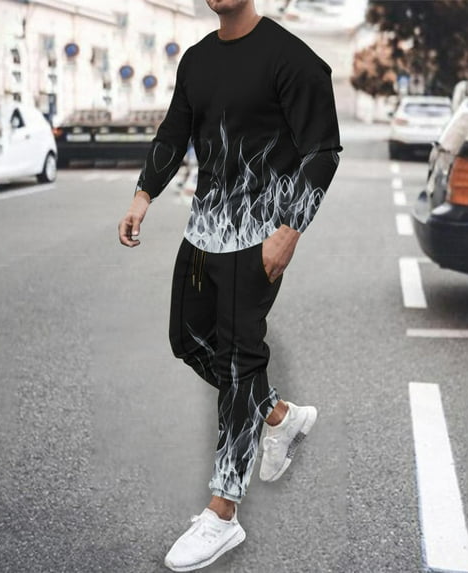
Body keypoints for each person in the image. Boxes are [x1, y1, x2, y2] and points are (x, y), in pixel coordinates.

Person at [118, 0, 342, 569]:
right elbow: (173, 134)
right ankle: (278, 415)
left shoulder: (292, 59)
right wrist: (143, 196)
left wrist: (290, 230)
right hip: (204, 231)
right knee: (188, 340)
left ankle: (223, 512)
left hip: (259, 235)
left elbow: (323, 150)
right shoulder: (196, 60)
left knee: (240, 362)